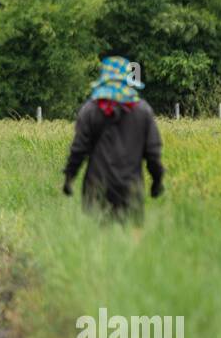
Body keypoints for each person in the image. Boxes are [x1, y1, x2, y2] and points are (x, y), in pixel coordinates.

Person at [62, 56, 164, 221]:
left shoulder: (90, 110)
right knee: (132, 239)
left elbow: (78, 150)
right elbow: (153, 152)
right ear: (127, 80)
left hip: (96, 187)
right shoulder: (143, 111)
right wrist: (157, 181)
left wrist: (69, 178)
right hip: (131, 188)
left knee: (99, 241)